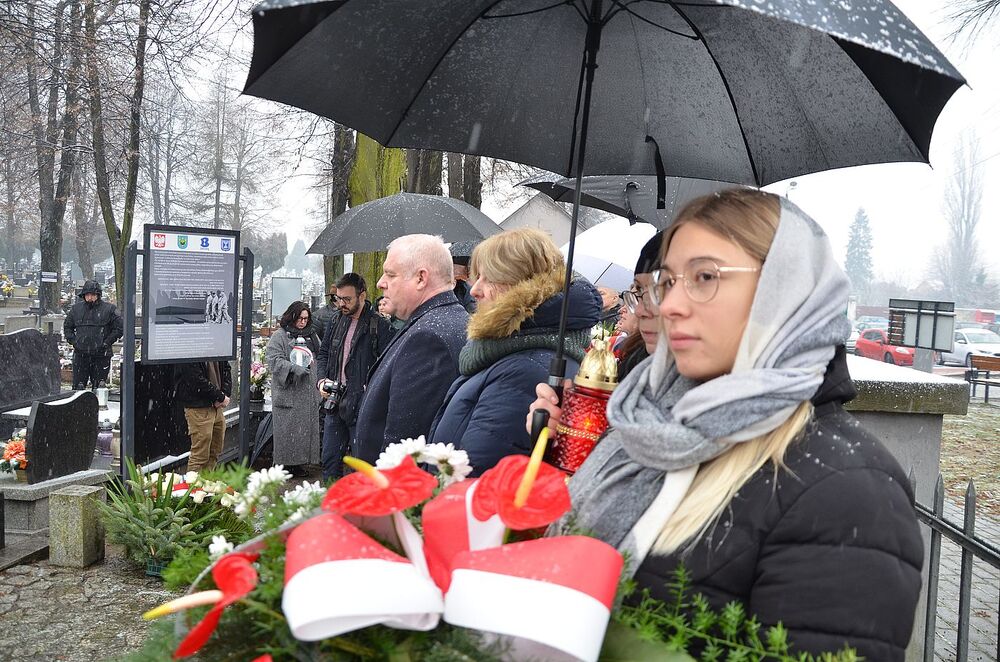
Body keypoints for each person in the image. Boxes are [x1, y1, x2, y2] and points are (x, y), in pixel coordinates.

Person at [537, 189, 922, 660]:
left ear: (784, 291)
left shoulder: (850, 490)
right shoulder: (646, 421)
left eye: (704, 277)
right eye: (668, 281)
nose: (671, 304)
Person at [428, 228, 601, 475]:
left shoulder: (525, 369)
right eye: (476, 277)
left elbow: (478, 474)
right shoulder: (509, 351)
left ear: (520, 285)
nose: (475, 290)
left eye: (488, 278)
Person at [352, 234, 469, 464]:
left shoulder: (429, 338)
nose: (380, 282)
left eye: (391, 274)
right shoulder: (444, 319)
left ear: (421, 278)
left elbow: (405, 445)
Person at [316, 273, 392, 481]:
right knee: (330, 461)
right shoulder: (335, 320)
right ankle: (330, 507)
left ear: (362, 295)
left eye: (347, 299)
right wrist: (321, 380)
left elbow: (388, 367)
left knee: (363, 465)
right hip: (335, 402)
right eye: (338, 299)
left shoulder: (379, 326)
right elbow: (323, 354)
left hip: (363, 406)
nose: (341, 304)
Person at [265, 301, 322, 472]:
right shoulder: (280, 336)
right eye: (300, 318)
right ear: (292, 317)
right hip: (289, 391)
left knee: (305, 431)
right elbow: (273, 360)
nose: (303, 322)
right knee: (289, 432)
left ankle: (303, 462)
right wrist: (292, 368)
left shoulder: (312, 336)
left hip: (308, 391)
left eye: (306, 318)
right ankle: (288, 464)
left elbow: (320, 356)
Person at [63, 279, 124, 389]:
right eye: (87, 295)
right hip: (81, 354)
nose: (89, 297)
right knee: (78, 388)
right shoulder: (76, 309)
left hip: (101, 355)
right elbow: (67, 327)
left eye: (92, 295)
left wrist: (106, 343)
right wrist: (74, 342)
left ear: (98, 295)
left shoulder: (109, 309)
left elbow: (119, 328)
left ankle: (99, 405)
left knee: (99, 387)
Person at [174, 360, 232, 472]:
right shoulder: (191, 348)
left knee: (215, 451)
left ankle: (207, 485)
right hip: (198, 407)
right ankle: (194, 488)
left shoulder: (216, 346)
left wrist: (223, 394)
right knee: (200, 455)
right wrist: (220, 396)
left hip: (216, 406)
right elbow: (193, 378)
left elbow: (226, 368)